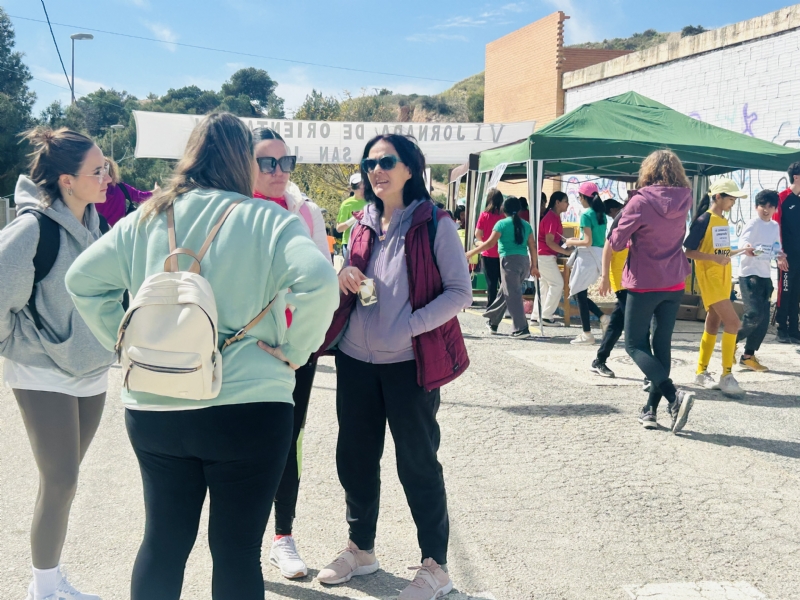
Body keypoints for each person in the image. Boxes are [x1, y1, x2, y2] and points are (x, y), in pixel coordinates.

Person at [65, 113, 339, 600]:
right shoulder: (268, 219)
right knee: (236, 552)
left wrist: (123, 343)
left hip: (156, 401)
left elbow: (82, 280)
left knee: (163, 542)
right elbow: (319, 282)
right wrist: (296, 350)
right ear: (242, 160)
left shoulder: (146, 218)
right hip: (250, 404)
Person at [314, 134, 472, 600]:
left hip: (409, 364)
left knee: (417, 462)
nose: (376, 170)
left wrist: (411, 326)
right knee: (355, 458)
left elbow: (460, 292)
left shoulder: (434, 222)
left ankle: (435, 566)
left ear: (410, 168)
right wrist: (343, 273)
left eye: (386, 161)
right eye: (370, 163)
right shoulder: (360, 223)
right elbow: (354, 278)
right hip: (355, 361)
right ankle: (361, 550)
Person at [0, 127, 114, 600]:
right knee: (61, 478)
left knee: (65, 481)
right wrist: (17, 341)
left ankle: (48, 579)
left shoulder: (97, 225)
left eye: (107, 167)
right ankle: (43, 591)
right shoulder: (32, 228)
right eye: (97, 170)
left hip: (90, 368)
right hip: (40, 369)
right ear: (67, 180)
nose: (108, 177)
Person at [250, 126, 332, 579]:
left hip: (295, 350)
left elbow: (321, 282)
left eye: (286, 162)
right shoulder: (230, 208)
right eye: (268, 162)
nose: (279, 171)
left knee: (288, 439)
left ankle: (283, 535)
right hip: (243, 347)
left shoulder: (306, 211)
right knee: (239, 442)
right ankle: (241, 537)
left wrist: (300, 346)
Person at [610, 149, 695, 432]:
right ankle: (651, 410)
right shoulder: (685, 198)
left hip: (645, 281)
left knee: (634, 344)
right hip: (674, 280)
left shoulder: (640, 201)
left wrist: (625, 218)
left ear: (647, 171)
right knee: (661, 345)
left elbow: (617, 243)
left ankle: (673, 395)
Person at [684, 179, 753, 398]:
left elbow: (721, 252)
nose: (733, 203)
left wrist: (742, 251)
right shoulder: (704, 219)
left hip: (723, 277)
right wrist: (715, 258)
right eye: (730, 199)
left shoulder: (722, 220)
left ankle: (701, 372)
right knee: (733, 322)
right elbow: (688, 251)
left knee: (713, 321)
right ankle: (726, 375)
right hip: (710, 278)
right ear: (717, 197)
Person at [467, 196, 541, 338]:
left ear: (503, 209)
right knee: (506, 292)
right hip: (524, 262)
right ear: (519, 209)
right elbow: (532, 245)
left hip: (509, 261)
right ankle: (493, 321)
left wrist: (472, 252)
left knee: (512, 294)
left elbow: (489, 243)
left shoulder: (501, 224)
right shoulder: (526, 225)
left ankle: (521, 329)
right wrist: (534, 266)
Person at [737, 190, 787, 371]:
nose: (766, 210)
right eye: (762, 206)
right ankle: (731, 340)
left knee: (763, 319)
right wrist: (747, 247)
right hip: (749, 274)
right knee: (754, 314)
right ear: (756, 207)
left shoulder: (774, 225)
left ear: (775, 208)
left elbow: (776, 245)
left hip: (765, 276)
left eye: (770, 206)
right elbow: (743, 241)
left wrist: (780, 255)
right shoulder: (753, 223)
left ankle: (748, 356)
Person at [591, 194, 632, 378]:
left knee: (618, 321)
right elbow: (608, 248)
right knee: (627, 321)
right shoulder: (623, 218)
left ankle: (599, 360)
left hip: (634, 277)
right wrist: (605, 277)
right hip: (621, 277)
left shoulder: (638, 218)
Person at [564, 182, 610, 344]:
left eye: (579, 197)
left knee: (578, 292)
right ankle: (601, 319)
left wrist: (571, 241)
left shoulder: (586, 215)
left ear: (584, 197)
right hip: (598, 255)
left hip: (587, 257)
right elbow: (595, 239)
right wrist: (578, 239)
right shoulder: (601, 214)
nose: (579, 200)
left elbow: (587, 241)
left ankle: (588, 333)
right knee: (580, 293)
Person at [532, 191, 572, 325]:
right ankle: (546, 316)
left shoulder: (553, 216)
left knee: (543, 286)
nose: (568, 204)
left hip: (542, 255)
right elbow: (549, 242)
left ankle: (536, 316)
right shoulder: (551, 217)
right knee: (557, 284)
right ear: (557, 202)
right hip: (545, 256)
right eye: (566, 201)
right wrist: (565, 252)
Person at [775, 162, 800, 344]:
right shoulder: (781, 198)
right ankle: (781, 328)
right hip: (786, 256)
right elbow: (775, 227)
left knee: (796, 293)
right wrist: (779, 254)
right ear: (796, 177)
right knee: (784, 292)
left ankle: (794, 329)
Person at [95, 159, 154, 227]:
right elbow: (141, 196)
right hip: (120, 230)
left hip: (98, 231)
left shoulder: (91, 193)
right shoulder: (122, 187)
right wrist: (156, 192)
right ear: (113, 172)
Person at [475, 188, 505, 307]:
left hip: (487, 253)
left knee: (491, 283)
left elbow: (477, 234)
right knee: (503, 282)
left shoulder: (484, 215)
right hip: (502, 253)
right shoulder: (503, 216)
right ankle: (503, 306)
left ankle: (491, 306)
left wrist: (484, 242)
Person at [336, 173, 366, 258]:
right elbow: (339, 229)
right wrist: (354, 218)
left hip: (368, 242)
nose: (362, 189)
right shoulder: (346, 204)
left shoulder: (373, 201)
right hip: (350, 244)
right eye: (358, 187)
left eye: (364, 186)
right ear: (352, 188)